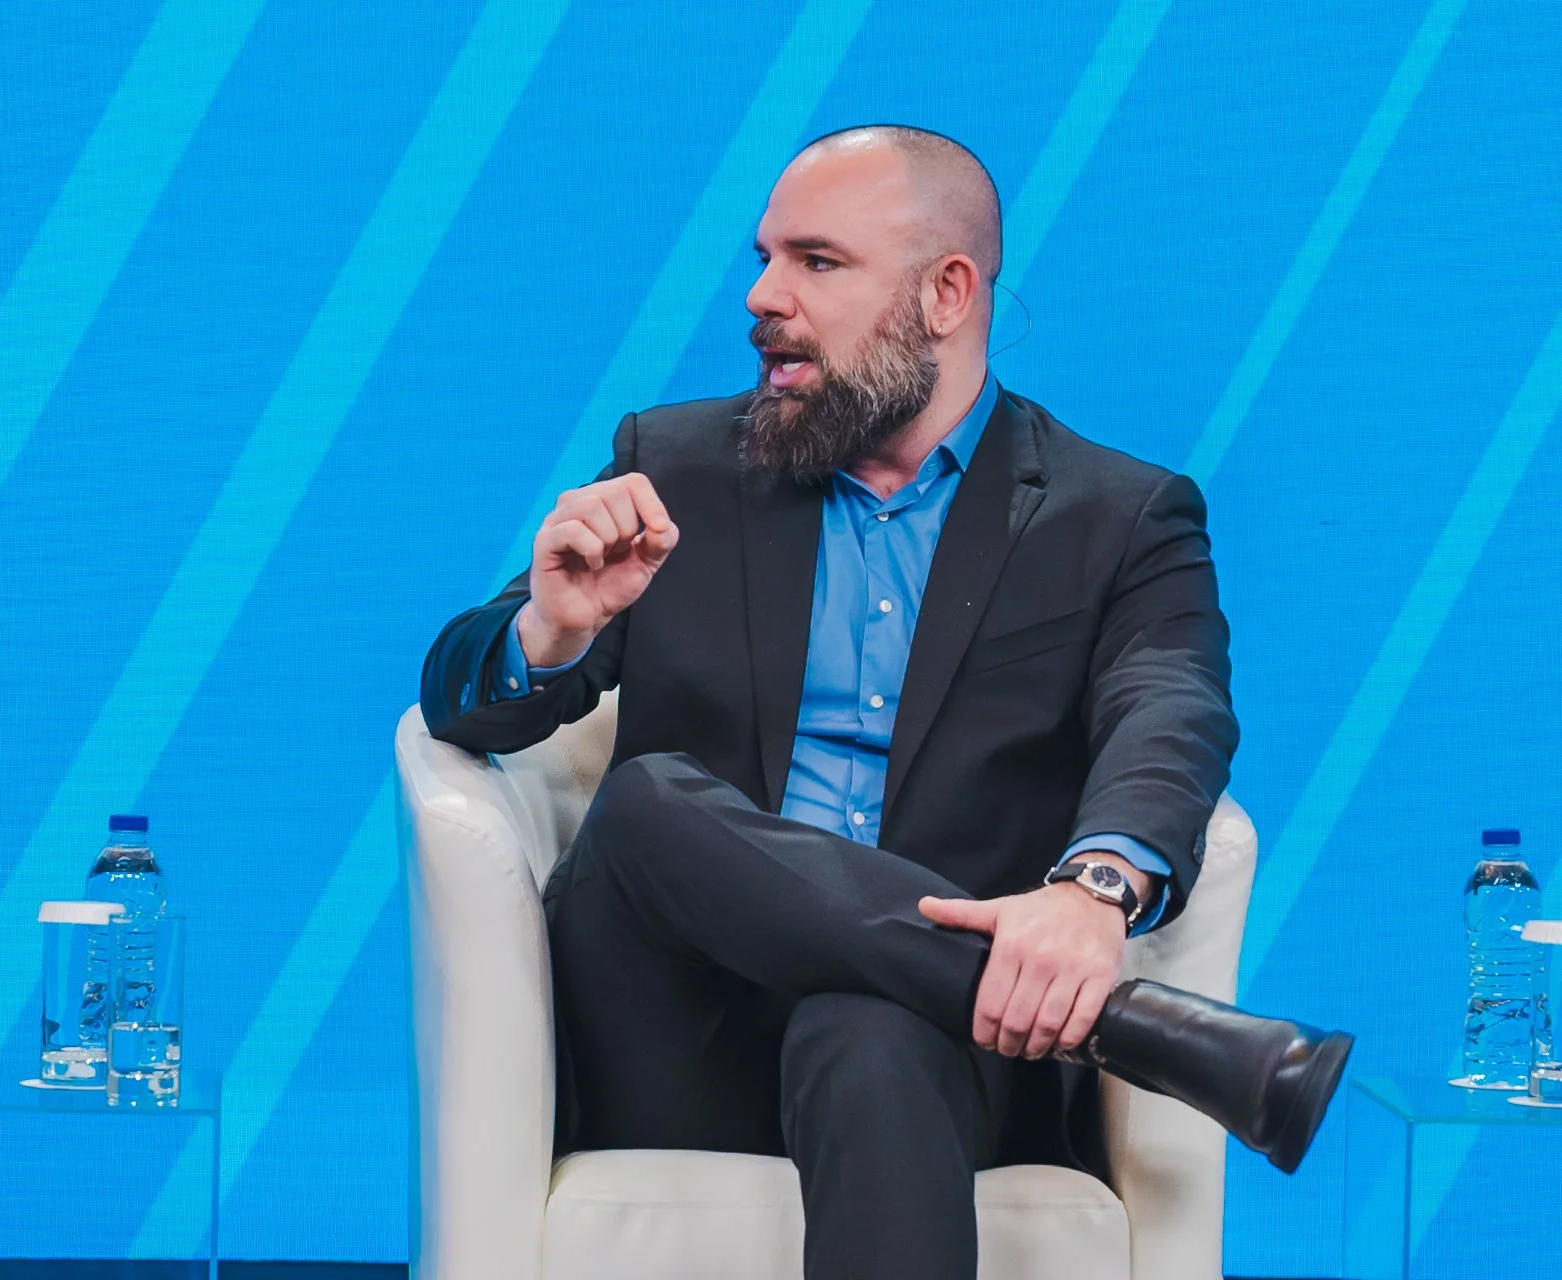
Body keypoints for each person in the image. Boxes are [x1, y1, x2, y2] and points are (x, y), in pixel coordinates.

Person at [421, 124, 1351, 1279]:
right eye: (763, 258)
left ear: (947, 292)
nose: (763, 296)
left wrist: (1093, 893)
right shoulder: (678, 465)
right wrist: (549, 630)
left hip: (943, 1053)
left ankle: (1058, 998)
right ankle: (1127, 1026)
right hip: (677, 1015)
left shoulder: (1118, 517)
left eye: (816, 262)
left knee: (866, 1021)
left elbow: (1173, 707)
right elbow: (461, 708)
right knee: (651, 798)